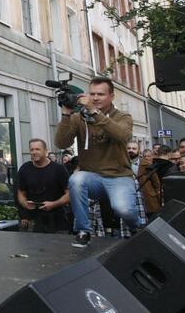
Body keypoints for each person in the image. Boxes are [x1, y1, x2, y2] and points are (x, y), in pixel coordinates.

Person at [55, 77, 139, 248]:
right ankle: (83, 231)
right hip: (92, 177)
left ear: (111, 96)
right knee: (75, 180)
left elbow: (122, 135)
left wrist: (94, 112)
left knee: (123, 210)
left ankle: (136, 228)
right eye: (92, 94)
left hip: (119, 177)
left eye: (100, 94)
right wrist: (66, 115)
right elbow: (61, 143)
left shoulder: (123, 116)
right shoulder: (79, 118)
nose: (95, 98)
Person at [17, 139, 70, 233]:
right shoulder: (25, 169)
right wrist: (25, 204)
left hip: (57, 219)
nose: (34, 152)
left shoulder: (59, 169)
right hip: (34, 220)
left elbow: (69, 194)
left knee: (60, 247)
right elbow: (21, 192)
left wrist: (53, 204)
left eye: (37, 149)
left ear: (46, 151)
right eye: (31, 149)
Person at [137, 145, 164, 218]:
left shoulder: (155, 165)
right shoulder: (143, 166)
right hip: (147, 197)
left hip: (153, 197)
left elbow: (156, 184)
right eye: (144, 156)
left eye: (148, 156)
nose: (146, 158)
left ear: (152, 156)